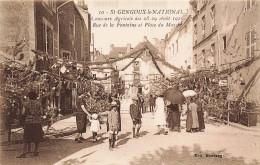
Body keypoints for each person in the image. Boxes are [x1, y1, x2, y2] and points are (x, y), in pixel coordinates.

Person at [17, 90, 43, 158]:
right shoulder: (39, 103)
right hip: (37, 122)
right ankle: (36, 151)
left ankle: (23, 152)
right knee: (37, 137)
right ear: (35, 97)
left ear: (29, 97)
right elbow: (41, 113)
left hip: (28, 122)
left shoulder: (26, 104)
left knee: (26, 137)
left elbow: (23, 113)